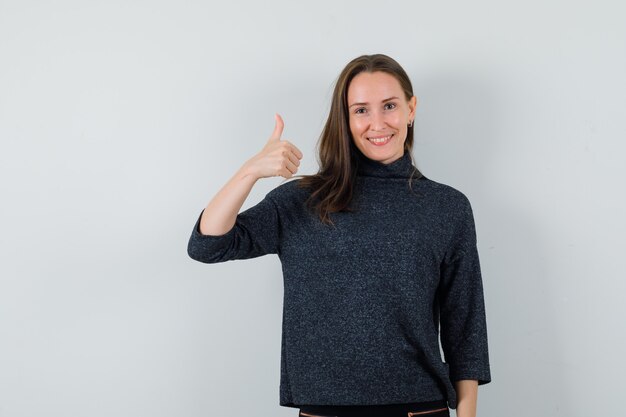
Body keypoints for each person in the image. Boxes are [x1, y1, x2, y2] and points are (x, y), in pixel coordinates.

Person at [187, 54, 491, 417]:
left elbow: (465, 328)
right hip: (323, 410)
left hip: (419, 409)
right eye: (361, 110)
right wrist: (250, 171)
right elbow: (208, 243)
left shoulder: (447, 208)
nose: (377, 123)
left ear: (411, 109)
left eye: (389, 106)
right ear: (345, 120)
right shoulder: (302, 201)